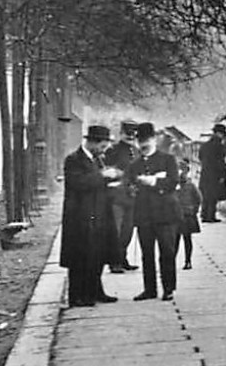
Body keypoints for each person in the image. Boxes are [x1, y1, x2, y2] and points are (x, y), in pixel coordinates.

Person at [61, 125, 124, 308]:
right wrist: (103, 176)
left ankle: (95, 290)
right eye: (102, 146)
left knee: (97, 254)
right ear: (93, 143)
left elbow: (97, 182)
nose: (103, 150)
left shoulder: (97, 160)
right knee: (80, 257)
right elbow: (79, 183)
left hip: (99, 213)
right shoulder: (74, 160)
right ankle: (78, 296)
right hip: (80, 216)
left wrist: (113, 179)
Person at [127, 124, 182, 301]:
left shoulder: (168, 159)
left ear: (154, 139)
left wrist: (153, 182)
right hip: (145, 214)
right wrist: (132, 188)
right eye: (140, 141)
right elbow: (128, 185)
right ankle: (149, 289)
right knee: (147, 254)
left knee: (167, 251)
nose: (143, 144)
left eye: (146, 140)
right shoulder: (134, 165)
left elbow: (173, 182)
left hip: (166, 214)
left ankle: (168, 288)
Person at [102, 121, 140, 273]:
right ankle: (114, 261)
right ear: (121, 133)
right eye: (128, 133)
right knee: (116, 230)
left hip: (131, 196)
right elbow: (105, 170)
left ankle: (123, 258)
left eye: (133, 133)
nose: (131, 136)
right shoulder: (113, 150)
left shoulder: (137, 151)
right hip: (116, 196)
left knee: (127, 230)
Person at [198, 123, 226, 223]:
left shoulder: (204, 145)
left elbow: (200, 157)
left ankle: (204, 215)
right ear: (219, 134)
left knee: (206, 195)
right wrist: (222, 174)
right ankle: (210, 216)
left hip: (205, 173)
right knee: (213, 196)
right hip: (215, 174)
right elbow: (220, 161)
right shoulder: (219, 146)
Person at [176, 161, 202, 271]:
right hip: (176, 215)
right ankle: (174, 260)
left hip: (187, 215)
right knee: (175, 240)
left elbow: (198, 199)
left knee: (186, 239)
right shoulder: (173, 186)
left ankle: (188, 260)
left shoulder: (190, 186)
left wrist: (194, 210)